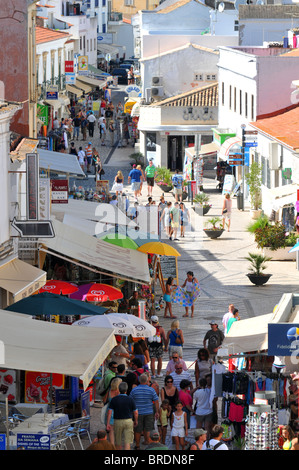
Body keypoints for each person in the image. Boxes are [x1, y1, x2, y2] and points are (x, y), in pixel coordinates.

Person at [129, 373, 159, 450]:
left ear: (139, 381)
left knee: (137, 429)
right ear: (146, 381)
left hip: (138, 413)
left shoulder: (134, 390)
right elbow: (156, 401)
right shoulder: (151, 390)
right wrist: (157, 412)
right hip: (149, 412)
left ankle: (138, 446)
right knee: (148, 428)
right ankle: (147, 441)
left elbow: (130, 401)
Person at [106, 381, 138, 450]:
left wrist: (108, 423)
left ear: (119, 390)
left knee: (118, 442)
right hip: (128, 421)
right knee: (127, 442)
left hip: (118, 421)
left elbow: (109, 412)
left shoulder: (114, 400)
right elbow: (135, 412)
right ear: (126, 390)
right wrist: (136, 420)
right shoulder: (130, 399)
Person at [104, 377, 122, 445]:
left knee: (111, 431)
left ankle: (112, 446)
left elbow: (104, 400)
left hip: (109, 412)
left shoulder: (109, 391)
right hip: (117, 412)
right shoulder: (119, 392)